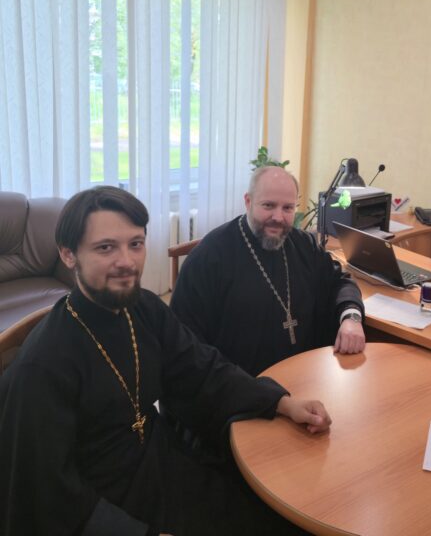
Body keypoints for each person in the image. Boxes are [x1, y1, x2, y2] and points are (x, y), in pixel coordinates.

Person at [0, 186, 331, 536]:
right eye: (105, 248)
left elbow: (202, 370)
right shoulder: (41, 366)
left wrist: (280, 402)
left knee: (281, 510)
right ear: (68, 255)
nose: (127, 261)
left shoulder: (143, 308)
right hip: (103, 505)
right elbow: (47, 494)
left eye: (136, 244)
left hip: (162, 463)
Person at [171, 166, 365, 377]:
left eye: (288, 208)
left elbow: (340, 282)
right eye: (268, 205)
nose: (278, 217)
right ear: (248, 201)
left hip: (305, 377)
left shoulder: (304, 245)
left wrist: (351, 317)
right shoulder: (208, 258)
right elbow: (188, 347)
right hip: (240, 388)